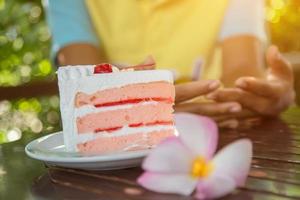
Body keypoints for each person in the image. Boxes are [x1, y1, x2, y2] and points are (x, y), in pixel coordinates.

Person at [44, 0, 295, 128]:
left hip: (219, 139)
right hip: (113, 160)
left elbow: (242, 74)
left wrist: (261, 94)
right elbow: (83, 92)